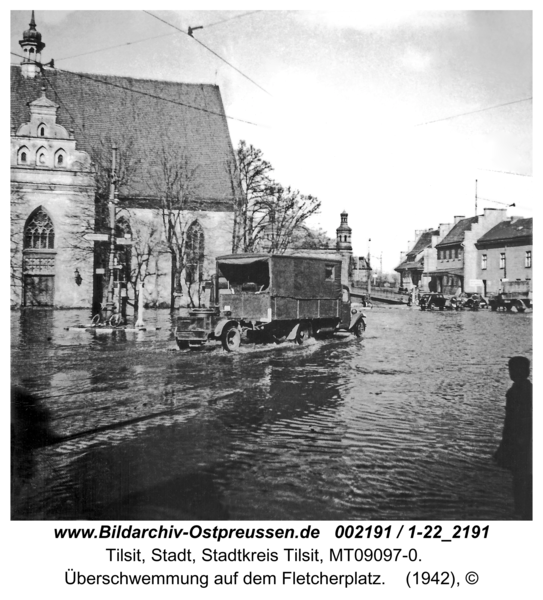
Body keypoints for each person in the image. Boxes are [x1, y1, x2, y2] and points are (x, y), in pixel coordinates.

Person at [494, 356, 532, 519]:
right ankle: (527, 509)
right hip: (526, 439)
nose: (511, 373)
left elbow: (511, 420)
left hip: (519, 440)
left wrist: (505, 443)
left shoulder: (515, 392)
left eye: (512, 370)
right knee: (527, 475)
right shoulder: (530, 389)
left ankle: (521, 511)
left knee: (519, 475)